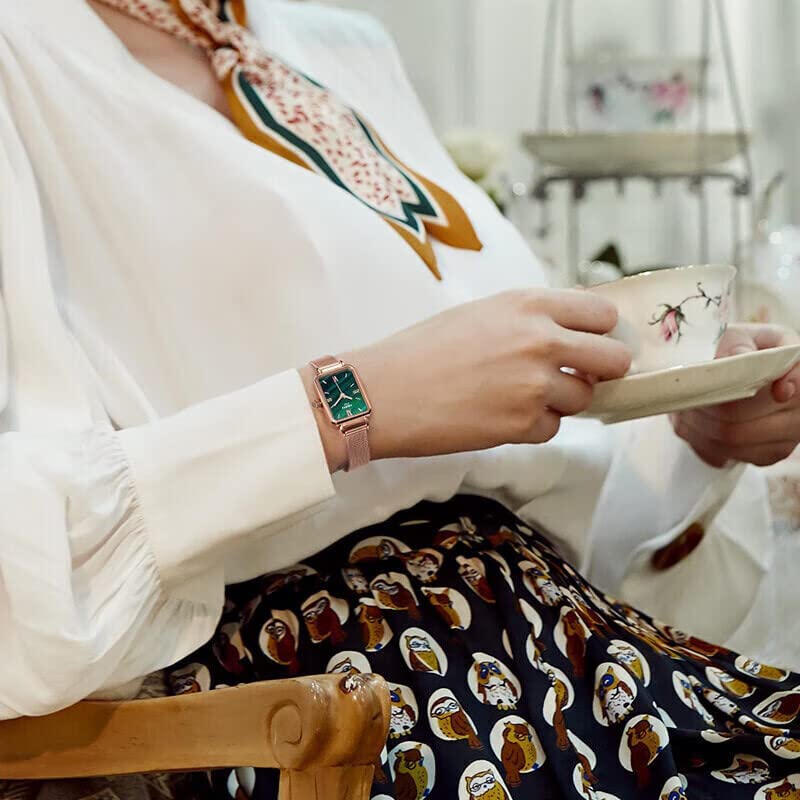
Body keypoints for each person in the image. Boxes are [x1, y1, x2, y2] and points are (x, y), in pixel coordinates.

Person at [2, 1, 800, 798]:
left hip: (562, 654)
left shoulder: (340, 48)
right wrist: (352, 404)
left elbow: (546, 496)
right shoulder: (23, 58)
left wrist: (696, 439)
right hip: (332, 702)